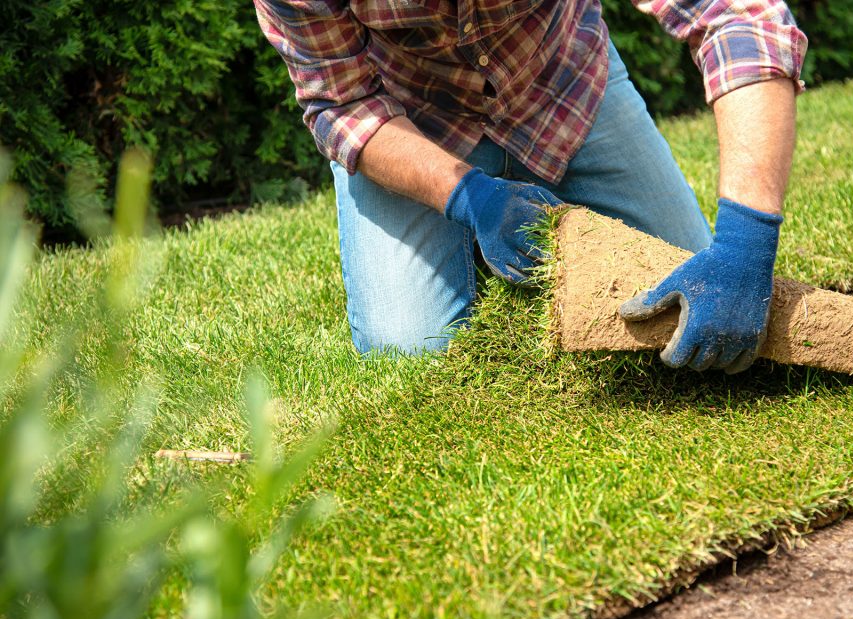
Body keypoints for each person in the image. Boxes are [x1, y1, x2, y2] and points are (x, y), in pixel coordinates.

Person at [254, 1, 807, 372]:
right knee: (407, 350)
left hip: (559, 79)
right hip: (414, 113)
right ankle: (474, 222)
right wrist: (469, 198)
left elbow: (738, 15)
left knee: (688, 288)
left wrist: (745, 239)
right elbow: (343, 103)